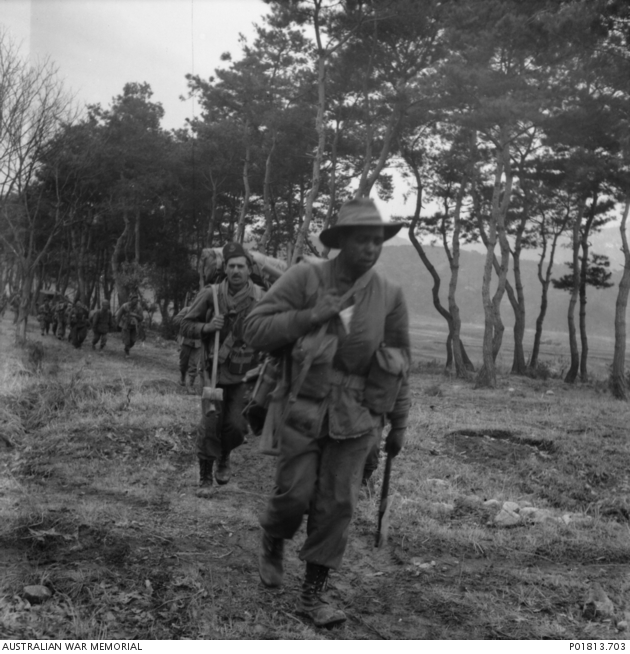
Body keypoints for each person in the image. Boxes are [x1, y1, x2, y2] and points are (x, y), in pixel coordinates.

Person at [243, 198, 411, 628]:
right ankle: (273, 537)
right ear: (340, 241)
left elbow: (398, 361)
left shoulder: (389, 295)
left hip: (358, 417)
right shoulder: (306, 277)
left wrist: (399, 424)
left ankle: (312, 596)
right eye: (362, 239)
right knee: (294, 494)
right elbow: (254, 328)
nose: (371, 248)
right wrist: (308, 316)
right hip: (302, 404)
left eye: (377, 241)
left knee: (337, 505)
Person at [181, 242, 264, 496]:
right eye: (231, 266)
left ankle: (225, 454)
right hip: (213, 371)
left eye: (241, 266)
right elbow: (185, 324)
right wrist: (206, 328)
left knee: (238, 428)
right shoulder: (212, 294)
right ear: (225, 269)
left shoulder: (261, 297)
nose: (236, 270)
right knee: (210, 422)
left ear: (249, 269)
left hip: (245, 374)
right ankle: (205, 476)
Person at [174, 305, 202, 391]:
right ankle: (182, 377)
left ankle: (190, 385)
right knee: (183, 363)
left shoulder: (204, 312)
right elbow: (176, 320)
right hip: (186, 340)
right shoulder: (186, 309)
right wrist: (187, 320)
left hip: (198, 341)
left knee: (193, 364)